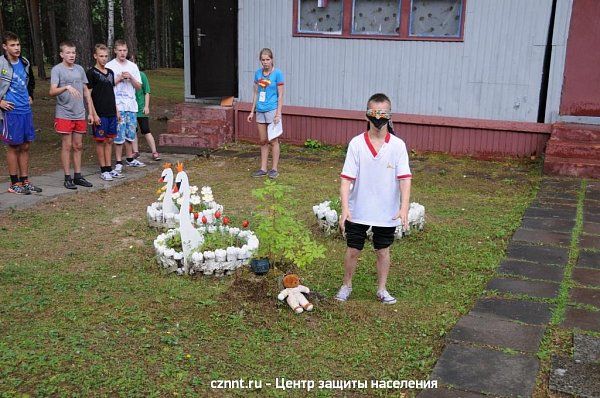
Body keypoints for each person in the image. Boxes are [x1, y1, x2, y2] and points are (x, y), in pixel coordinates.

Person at [334, 93, 412, 305]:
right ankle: (346, 285)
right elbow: (345, 179)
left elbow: (405, 179)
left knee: (383, 250)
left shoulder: (398, 146)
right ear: (367, 115)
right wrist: (345, 209)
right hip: (358, 209)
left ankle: (382, 289)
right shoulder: (356, 144)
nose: (379, 118)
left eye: (383, 113)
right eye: (375, 113)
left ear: (390, 115)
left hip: (386, 212)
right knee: (353, 249)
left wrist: (404, 208)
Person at [49, 41, 95, 190]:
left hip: (79, 112)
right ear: (62, 54)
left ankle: (78, 176)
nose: (71, 55)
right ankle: (67, 177)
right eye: (68, 52)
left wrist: (90, 112)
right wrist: (66, 87)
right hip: (64, 113)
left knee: (78, 145)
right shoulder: (57, 70)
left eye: (73, 52)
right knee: (67, 145)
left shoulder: (80, 69)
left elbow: (86, 90)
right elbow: (52, 91)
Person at [0, 31, 41, 195]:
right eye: (12, 45)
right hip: (11, 112)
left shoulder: (24, 62)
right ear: (5, 47)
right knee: (13, 146)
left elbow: (30, 81)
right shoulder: (1, 63)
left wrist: (30, 95)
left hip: (25, 110)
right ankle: (14, 183)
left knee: (25, 145)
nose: (16, 48)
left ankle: (25, 181)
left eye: (18, 45)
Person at [106, 39, 145, 174]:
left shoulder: (133, 66)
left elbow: (139, 87)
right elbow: (107, 86)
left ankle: (130, 158)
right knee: (119, 134)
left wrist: (131, 78)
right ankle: (118, 161)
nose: (122, 53)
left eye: (125, 50)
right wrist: (119, 78)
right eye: (120, 50)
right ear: (115, 51)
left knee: (130, 133)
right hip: (118, 105)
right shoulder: (110, 66)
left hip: (131, 105)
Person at [86, 44, 123, 181]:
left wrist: (116, 110)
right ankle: (103, 169)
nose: (103, 59)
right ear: (95, 56)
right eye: (101, 56)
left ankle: (109, 167)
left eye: (106, 56)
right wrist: (93, 114)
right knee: (100, 141)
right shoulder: (91, 73)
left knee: (109, 140)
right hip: (99, 112)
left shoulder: (111, 73)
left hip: (111, 112)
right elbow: (88, 95)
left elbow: (111, 92)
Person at [246, 48, 284, 179]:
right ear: (260, 61)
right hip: (260, 110)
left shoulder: (277, 74)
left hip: (272, 110)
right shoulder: (258, 74)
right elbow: (256, 93)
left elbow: (280, 95)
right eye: (263, 60)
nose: (265, 62)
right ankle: (263, 168)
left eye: (268, 59)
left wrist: (278, 113)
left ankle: (274, 169)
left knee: (273, 140)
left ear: (272, 59)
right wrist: (252, 111)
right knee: (263, 140)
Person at [131, 61, 160, 161]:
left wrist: (146, 106)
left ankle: (154, 152)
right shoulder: (125, 77)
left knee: (146, 130)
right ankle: (135, 151)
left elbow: (147, 91)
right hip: (131, 109)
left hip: (141, 109)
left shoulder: (141, 75)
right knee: (133, 131)